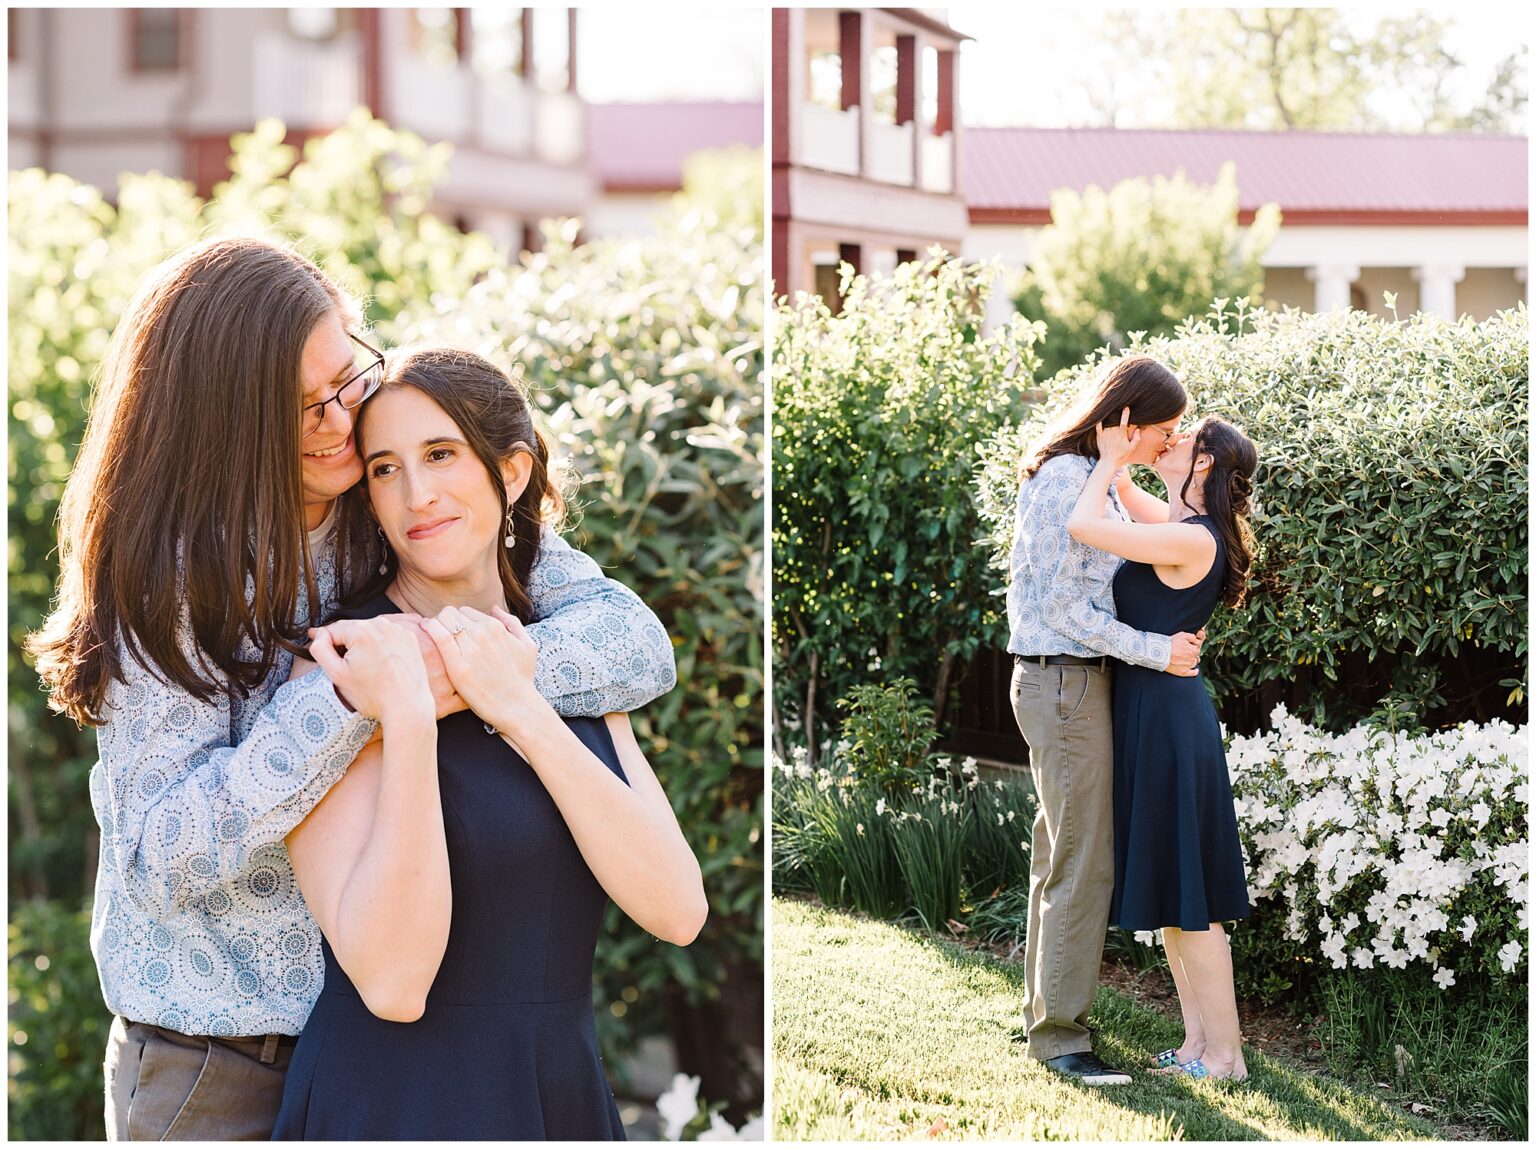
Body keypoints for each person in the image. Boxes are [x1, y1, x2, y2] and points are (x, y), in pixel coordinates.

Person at [27, 237, 676, 1140]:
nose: (342, 419)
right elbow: (156, 856)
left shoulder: (390, 499)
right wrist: (337, 705)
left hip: (391, 1052)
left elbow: (630, 642)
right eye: (302, 409)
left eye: (347, 378)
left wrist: (449, 666)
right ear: (228, 420)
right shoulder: (167, 582)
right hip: (220, 1060)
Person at [270, 346, 706, 1138]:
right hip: (394, 1101)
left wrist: (520, 706)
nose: (416, 493)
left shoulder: (562, 655)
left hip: (556, 1095)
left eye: (440, 454)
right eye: (384, 469)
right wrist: (405, 718)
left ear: (509, 472)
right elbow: (394, 983)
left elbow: (678, 908)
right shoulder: (339, 668)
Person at [1005, 355, 1205, 1086]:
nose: (1169, 440)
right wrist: (1157, 651)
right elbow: (1064, 610)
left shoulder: (1090, 477)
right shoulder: (1062, 480)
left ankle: (1044, 1019)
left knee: (1060, 855)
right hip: (1064, 682)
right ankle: (1061, 1038)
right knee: (1083, 862)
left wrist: (1126, 467)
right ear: (1126, 420)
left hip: (1075, 684)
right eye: (1164, 428)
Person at [1067, 410, 1257, 1083]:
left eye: (1184, 439)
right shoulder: (1177, 525)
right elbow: (1116, 498)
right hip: (1152, 713)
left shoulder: (1195, 540)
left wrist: (1113, 456)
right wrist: (1119, 456)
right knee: (1181, 905)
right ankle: (1195, 1045)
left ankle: (1226, 1056)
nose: (1169, 443)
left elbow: (1087, 523)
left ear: (1205, 463)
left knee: (1194, 903)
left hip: (1171, 725)